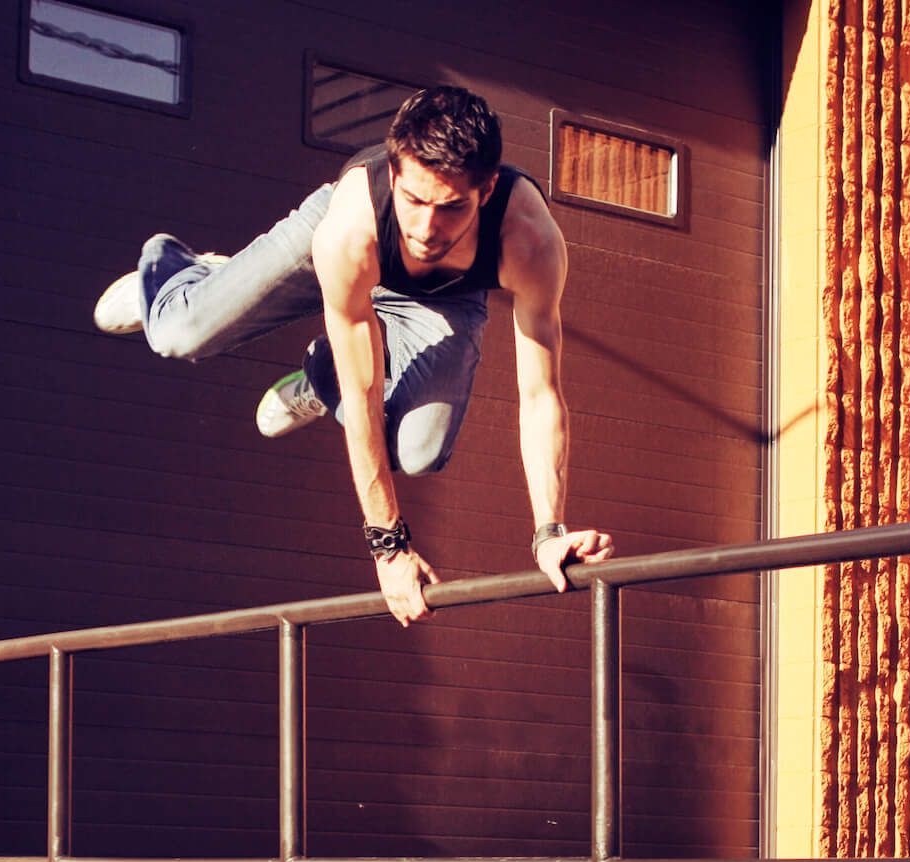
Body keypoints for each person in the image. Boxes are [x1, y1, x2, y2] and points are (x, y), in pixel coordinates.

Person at [92, 85, 613, 627]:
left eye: (451, 207)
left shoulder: (528, 240)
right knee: (180, 334)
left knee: (418, 453)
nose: (425, 230)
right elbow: (364, 392)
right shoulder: (349, 228)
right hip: (348, 256)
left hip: (443, 298)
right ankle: (182, 271)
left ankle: (318, 380)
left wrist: (548, 532)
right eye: (413, 201)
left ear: (485, 191)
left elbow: (540, 394)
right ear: (393, 173)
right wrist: (389, 548)